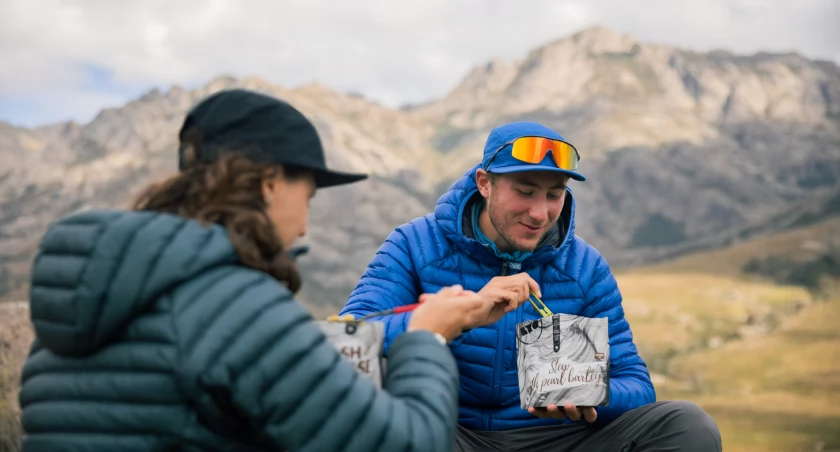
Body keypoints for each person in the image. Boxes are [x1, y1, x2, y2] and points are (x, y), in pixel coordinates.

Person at [17, 89, 512, 452]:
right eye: (308, 197)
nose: (303, 227)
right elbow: (406, 443)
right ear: (272, 184)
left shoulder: (85, 302)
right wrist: (426, 337)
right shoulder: (234, 307)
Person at [340, 121, 722, 451]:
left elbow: (636, 384)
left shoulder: (585, 268)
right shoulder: (414, 245)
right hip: (443, 433)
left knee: (687, 424)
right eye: (525, 191)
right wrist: (462, 317)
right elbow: (349, 344)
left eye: (554, 194)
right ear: (484, 183)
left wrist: (588, 394)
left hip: (555, 439)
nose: (540, 213)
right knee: (364, 397)